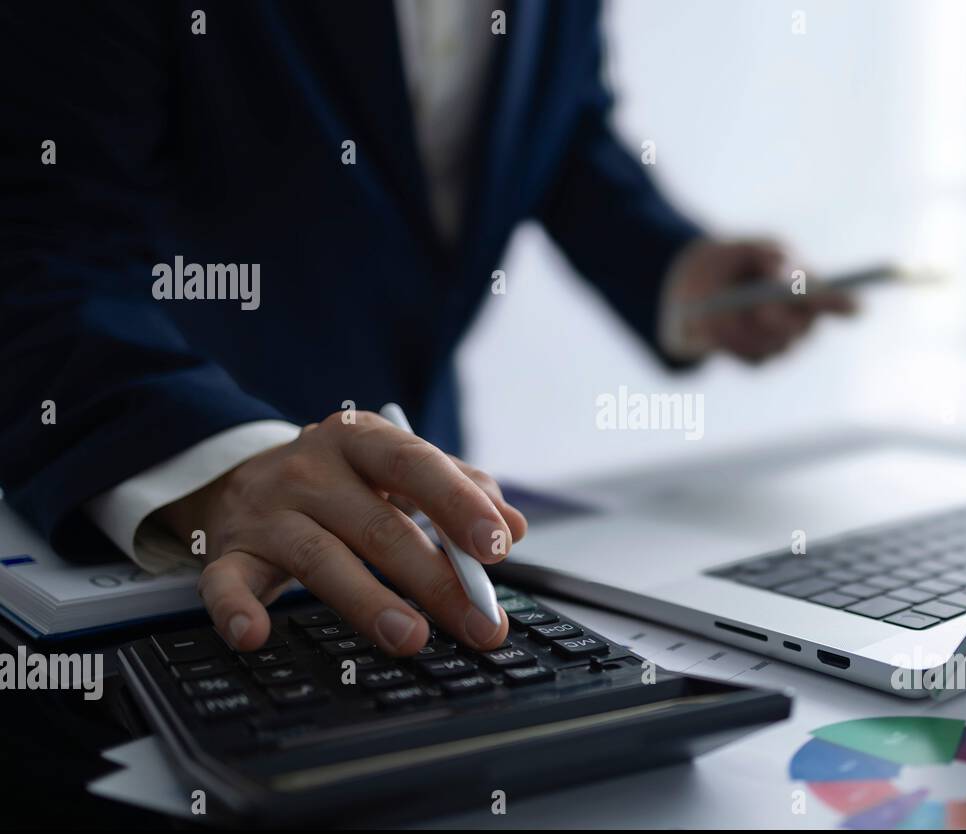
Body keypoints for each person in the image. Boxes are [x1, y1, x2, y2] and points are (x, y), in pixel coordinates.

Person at [0, 1, 852, 656]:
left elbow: (561, 122)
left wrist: (678, 272)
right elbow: (38, 242)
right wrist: (223, 468)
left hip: (422, 517)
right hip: (164, 538)